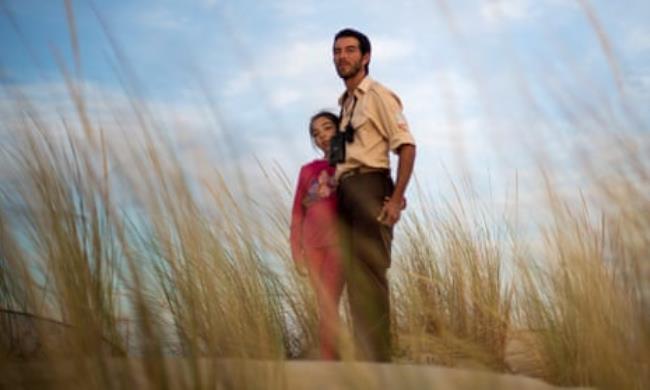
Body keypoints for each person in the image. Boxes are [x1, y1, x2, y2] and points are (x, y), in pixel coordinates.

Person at [331, 28, 416, 362]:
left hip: (370, 185)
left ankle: (380, 362)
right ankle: (365, 356)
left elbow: (407, 146)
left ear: (365, 57)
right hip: (345, 191)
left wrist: (396, 197)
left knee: (371, 272)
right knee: (353, 275)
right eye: (337, 51)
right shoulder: (345, 105)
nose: (342, 56)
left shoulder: (378, 95)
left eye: (350, 50)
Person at [290, 111, 345, 360]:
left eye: (327, 128)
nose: (322, 136)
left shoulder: (349, 165)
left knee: (329, 300)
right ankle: (332, 357)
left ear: (339, 128)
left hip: (339, 245)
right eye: (316, 133)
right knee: (323, 304)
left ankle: (330, 360)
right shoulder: (307, 170)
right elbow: (297, 214)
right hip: (311, 247)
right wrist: (296, 252)